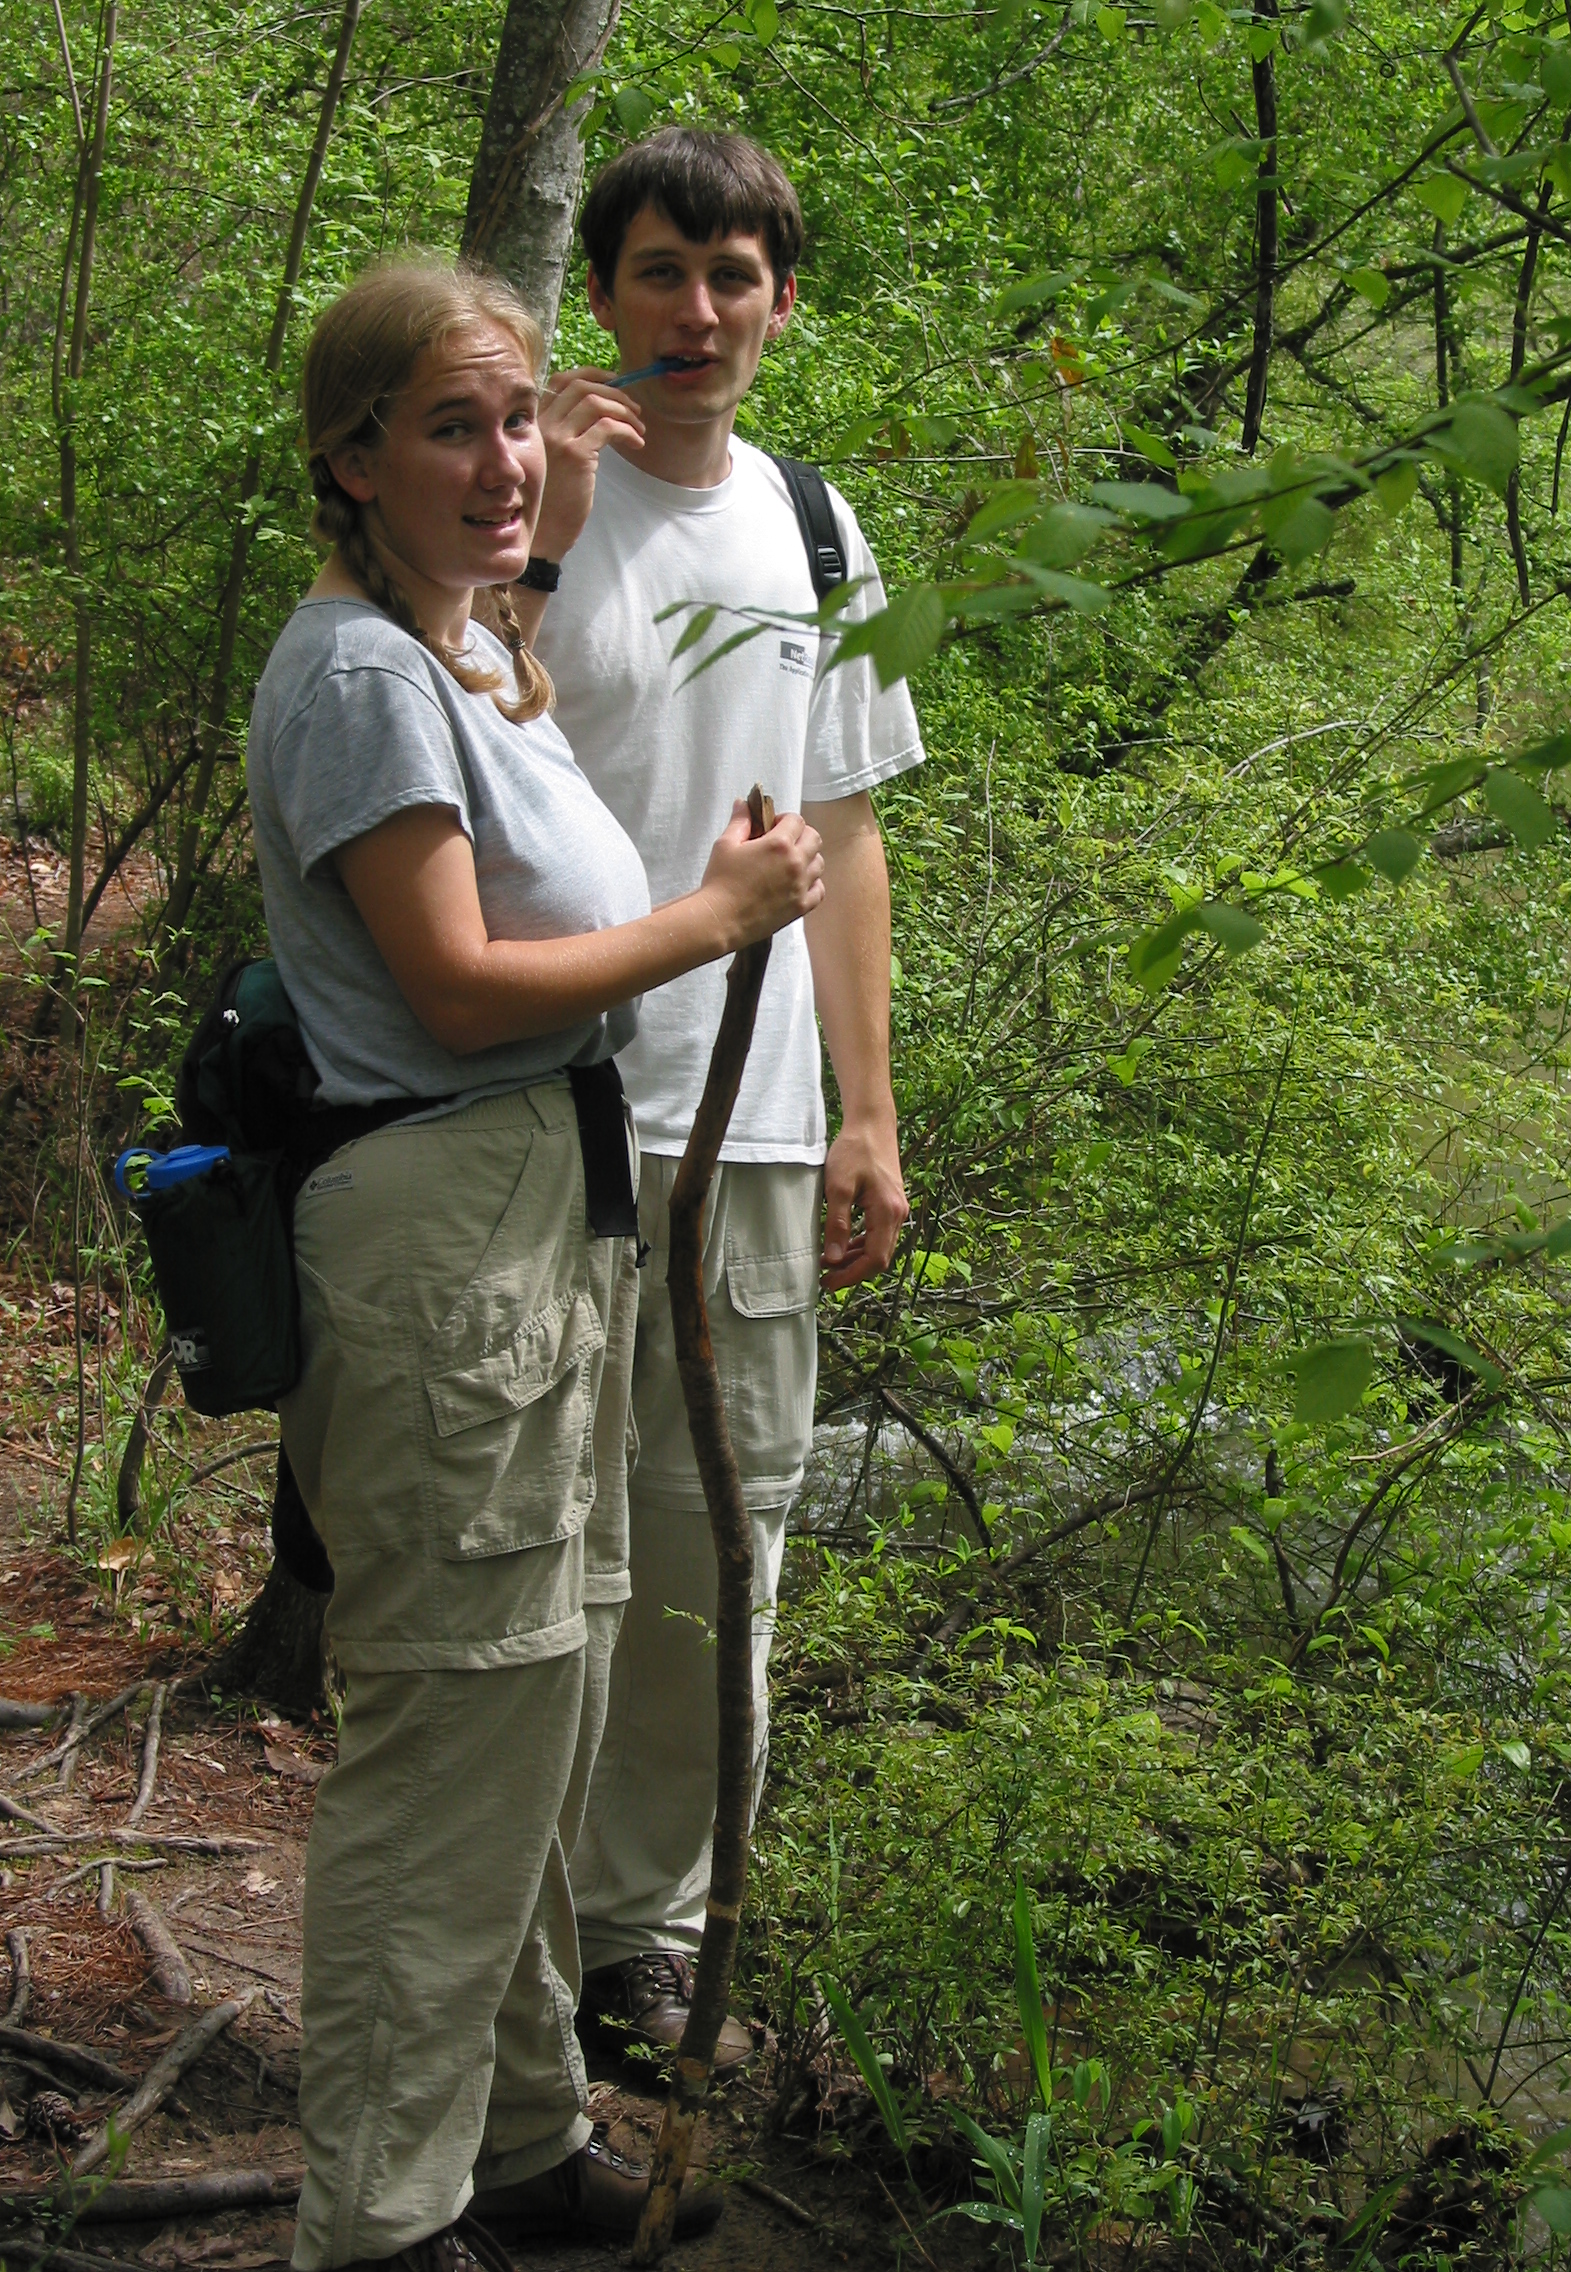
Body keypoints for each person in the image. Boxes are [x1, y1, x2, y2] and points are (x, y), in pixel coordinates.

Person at [246, 257, 823, 2271]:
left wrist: (541, 555)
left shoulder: (466, 647)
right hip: (444, 1231)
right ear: (351, 457)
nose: (502, 463)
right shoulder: (354, 680)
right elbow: (462, 983)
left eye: (515, 418)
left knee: (544, 1701)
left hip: (540, 1223)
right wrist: (718, 913)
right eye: (448, 427)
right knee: (454, 1722)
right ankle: (380, 2220)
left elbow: (534, 631)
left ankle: (514, 2136)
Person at [509, 127, 923, 2071]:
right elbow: (454, 738)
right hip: (532, 1104)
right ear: (604, 293)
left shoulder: (819, 531)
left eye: (733, 275)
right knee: (530, 1539)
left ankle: (646, 1944)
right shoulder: (522, 501)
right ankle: (512, 1921)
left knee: (709, 1547)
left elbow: (844, 827)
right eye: (661, 272)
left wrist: (869, 1112)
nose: (696, 313)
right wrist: (555, 538)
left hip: (750, 1123)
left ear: (779, 301)